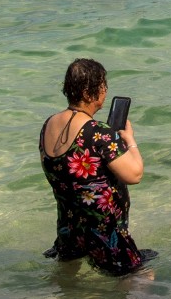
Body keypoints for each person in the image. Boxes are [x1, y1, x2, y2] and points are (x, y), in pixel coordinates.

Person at [38, 57, 150, 277]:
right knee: (141, 277)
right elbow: (135, 174)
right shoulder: (100, 132)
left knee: (68, 277)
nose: (105, 92)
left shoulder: (48, 124)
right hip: (103, 230)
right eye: (103, 86)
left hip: (69, 228)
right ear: (90, 93)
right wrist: (130, 140)